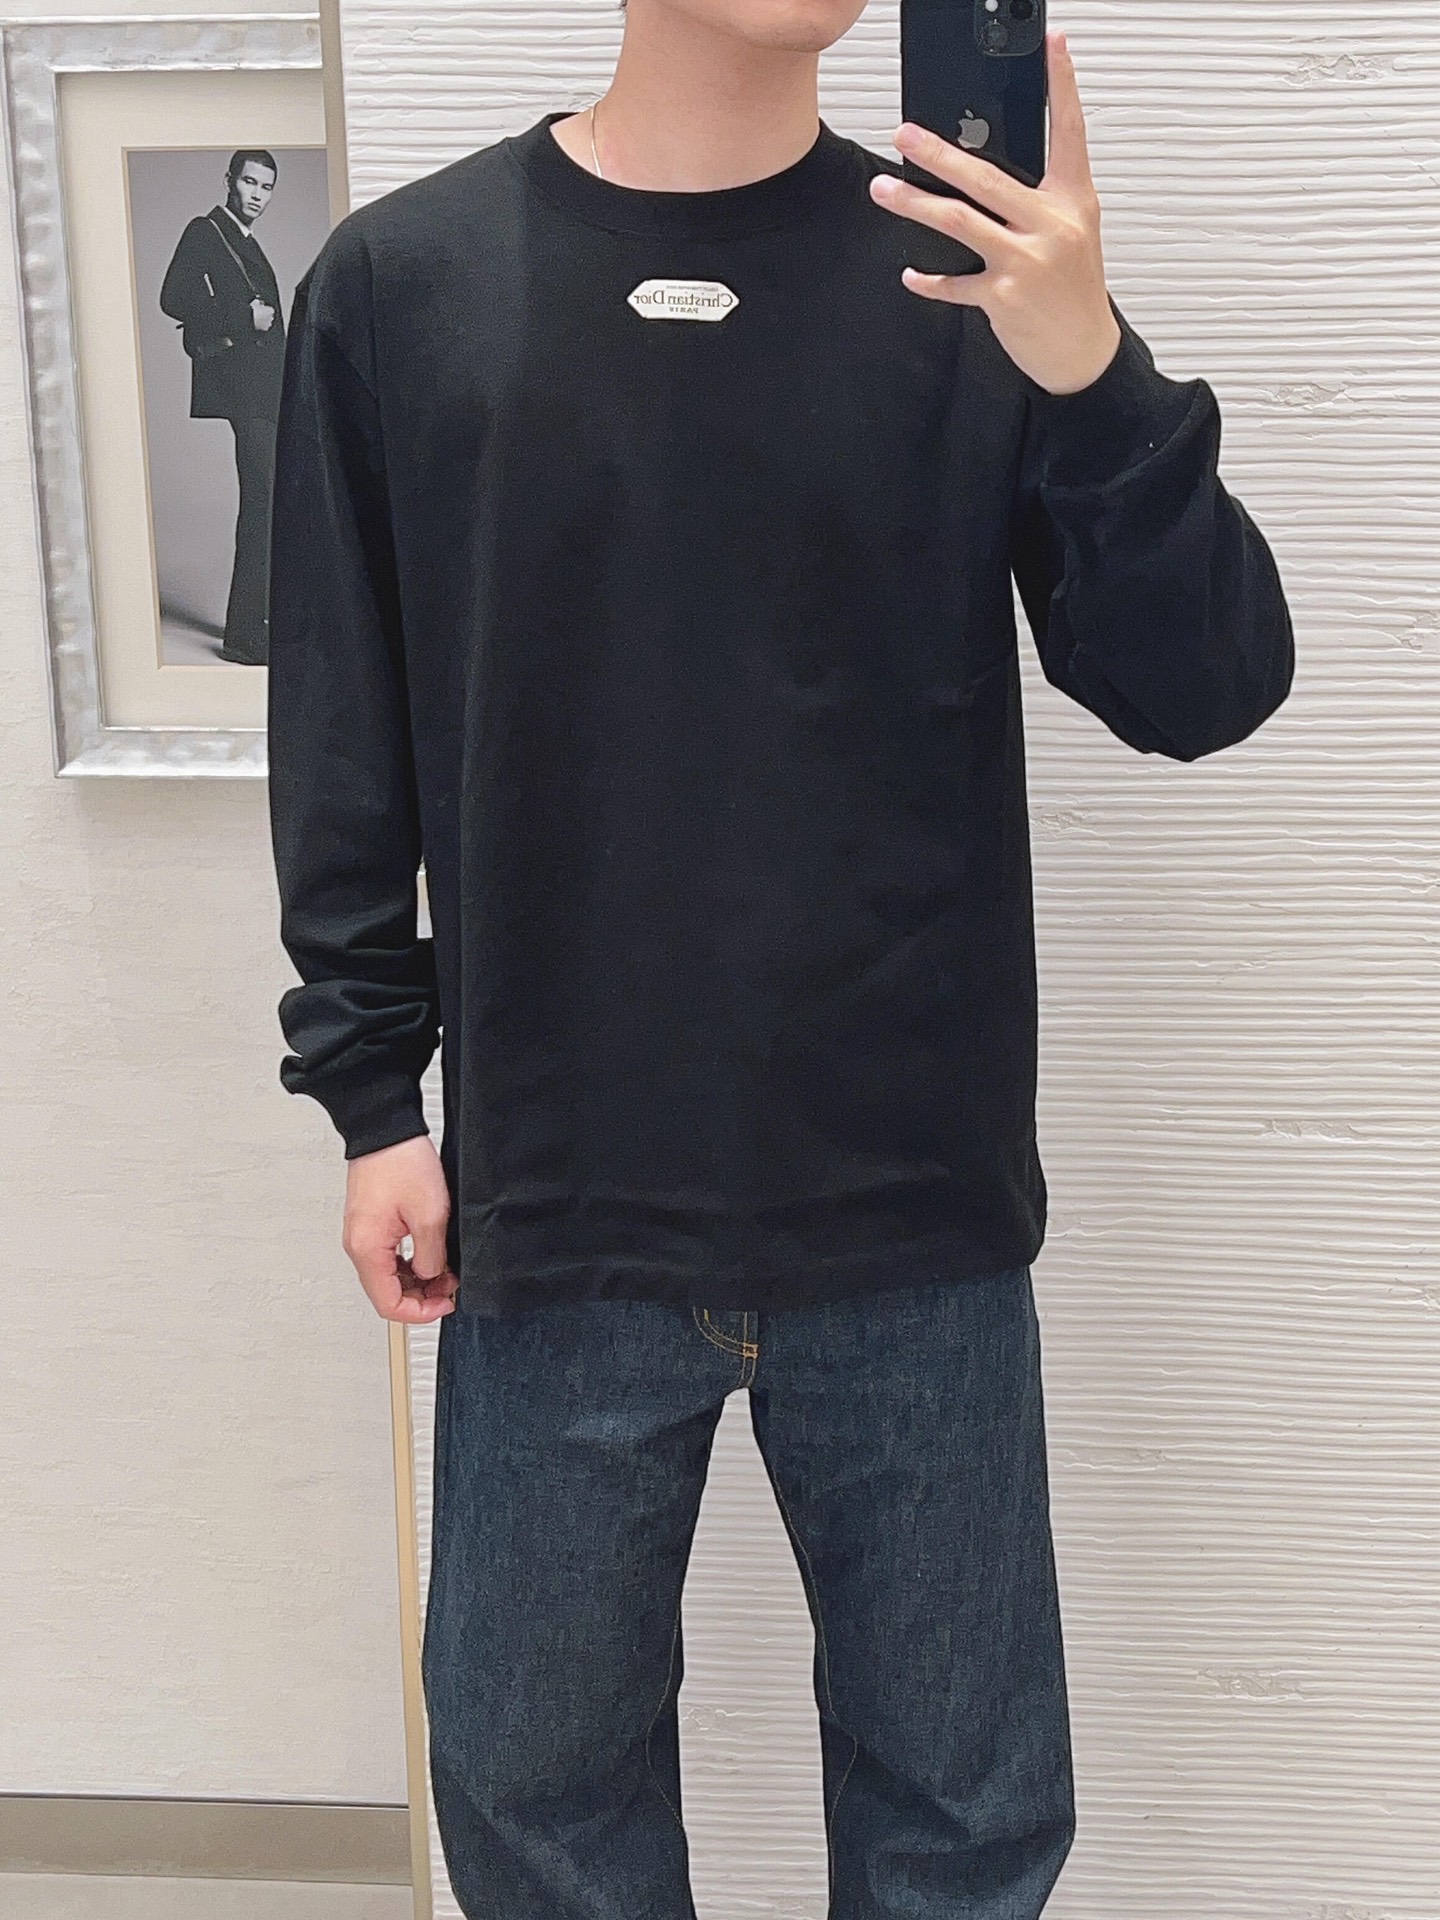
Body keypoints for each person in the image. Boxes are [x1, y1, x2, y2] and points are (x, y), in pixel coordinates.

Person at [264, 2, 1294, 1912]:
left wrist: (1092, 370)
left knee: (965, 1819)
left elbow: (1207, 686)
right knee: (534, 1801)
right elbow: (346, 736)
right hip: (556, 1200)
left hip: (913, 1207)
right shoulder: (406, 288)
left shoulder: (967, 276)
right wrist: (371, 1099)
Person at [159, 149, 286, 664]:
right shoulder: (206, 231)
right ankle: (245, 636)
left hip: (266, 389)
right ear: (229, 180)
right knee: (260, 505)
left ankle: (255, 625)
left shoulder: (245, 240)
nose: (257, 195)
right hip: (245, 389)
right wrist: (240, 315)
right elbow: (172, 297)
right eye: (250, 182)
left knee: (267, 504)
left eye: (266, 187)